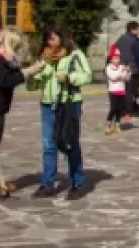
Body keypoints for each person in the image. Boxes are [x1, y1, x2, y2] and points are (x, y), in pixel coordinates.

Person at [0, 28, 43, 201]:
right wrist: (29, 72)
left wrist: (25, 70)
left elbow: (11, 74)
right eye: (16, 47)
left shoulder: (1, 61)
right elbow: (6, 81)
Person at [26, 27, 93, 200]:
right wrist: (34, 75)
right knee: (48, 145)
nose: (50, 42)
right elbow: (32, 86)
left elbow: (87, 75)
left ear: (62, 38)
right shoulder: (43, 57)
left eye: (53, 38)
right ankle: (47, 184)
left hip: (69, 103)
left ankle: (76, 183)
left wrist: (69, 78)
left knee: (70, 143)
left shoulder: (74, 53)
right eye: (47, 38)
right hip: (48, 105)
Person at [116, 22, 139, 122]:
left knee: (125, 89)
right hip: (133, 69)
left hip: (121, 67)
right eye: (138, 29)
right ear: (132, 30)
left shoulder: (120, 39)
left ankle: (124, 108)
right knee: (132, 90)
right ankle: (128, 110)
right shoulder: (135, 41)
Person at [105, 45, 130, 135]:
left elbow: (126, 78)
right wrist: (121, 71)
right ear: (111, 59)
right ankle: (108, 125)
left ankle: (117, 125)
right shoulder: (108, 68)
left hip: (121, 90)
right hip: (113, 91)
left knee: (120, 109)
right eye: (115, 58)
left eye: (118, 58)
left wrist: (127, 71)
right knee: (113, 109)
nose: (117, 60)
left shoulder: (121, 67)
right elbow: (113, 77)